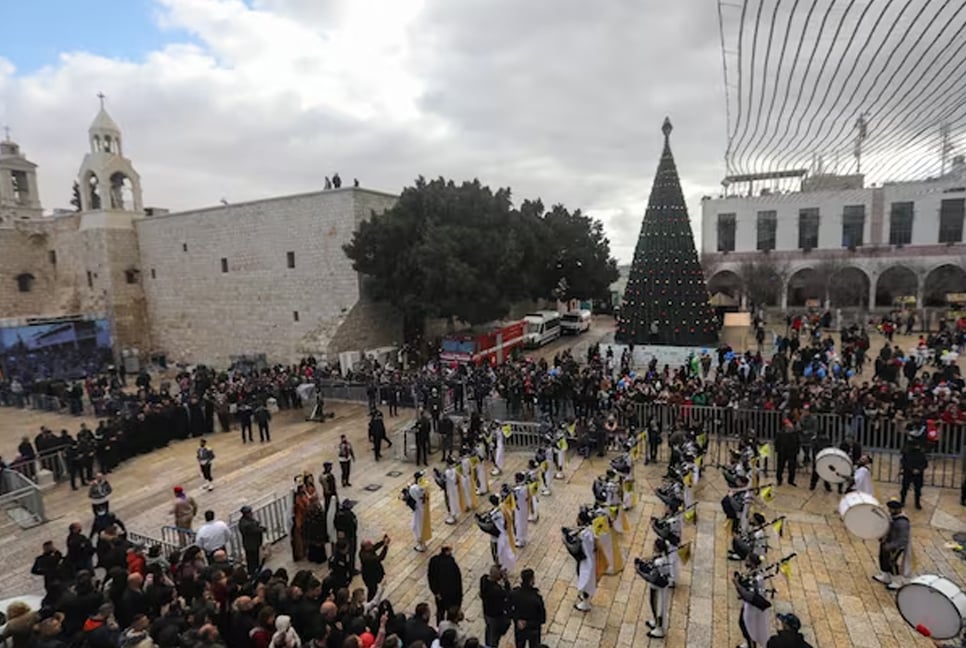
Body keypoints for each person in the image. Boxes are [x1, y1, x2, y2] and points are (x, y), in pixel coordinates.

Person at [873, 499, 912, 590]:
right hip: (887, 542)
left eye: (892, 509)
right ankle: (885, 576)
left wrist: (891, 546)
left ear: (898, 509)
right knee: (883, 559)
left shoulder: (902, 522)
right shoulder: (892, 517)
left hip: (895, 546)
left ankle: (897, 581)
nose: (890, 511)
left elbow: (903, 539)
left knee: (892, 562)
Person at [509, 568, 545, 648]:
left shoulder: (515, 594)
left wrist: (517, 619)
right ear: (531, 580)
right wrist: (527, 623)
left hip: (520, 629)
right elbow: (542, 618)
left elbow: (508, 608)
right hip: (533, 629)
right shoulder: (536, 598)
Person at [428, 546, 463, 625]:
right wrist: (459, 601)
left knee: (440, 612)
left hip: (440, 595)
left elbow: (431, 577)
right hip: (451, 595)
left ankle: (440, 627)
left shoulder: (434, 560)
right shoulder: (453, 565)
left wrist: (436, 592)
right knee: (451, 615)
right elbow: (458, 583)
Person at [479, 565, 511, 648]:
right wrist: (506, 581)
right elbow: (508, 594)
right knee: (494, 636)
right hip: (495, 616)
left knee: (489, 629)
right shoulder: (496, 590)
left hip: (486, 612)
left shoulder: (483, 579)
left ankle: (487, 644)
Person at [900, 437, 928, 510]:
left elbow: (925, 464)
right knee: (904, 488)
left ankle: (917, 503)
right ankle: (902, 501)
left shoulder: (921, 454)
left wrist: (918, 469)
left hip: (917, 474)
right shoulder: (907, 453)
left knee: (918, 489)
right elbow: (904, 462)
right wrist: (913, 469)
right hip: (909, 473)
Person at [359, 535, 390, 602]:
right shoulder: (367, 557)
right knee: (372, 591)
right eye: (370, 545)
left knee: (373, 590)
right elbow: (380, 557)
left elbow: (374, 547)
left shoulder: (365, 550)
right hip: (370, 577)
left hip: (371, 575)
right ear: (366, 547)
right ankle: (371, 603)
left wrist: (382, 542)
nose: (372, 545)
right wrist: (385, 546)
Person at [238, 505, 266, 576]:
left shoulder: (249, 520)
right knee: (251, 560)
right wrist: (262, 529)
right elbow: (253, 529)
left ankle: (256, 570)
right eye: (249, 512)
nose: (251, 513)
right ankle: (253, 573)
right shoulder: (244, 523)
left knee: (256, 558)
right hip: (250, 545)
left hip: (255, 543)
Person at [409, 471, 432, 552]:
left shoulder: (413, 488)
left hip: (418, 510)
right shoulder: (426, 486)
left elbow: (411, 495)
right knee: (423, 525)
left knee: (416, 527)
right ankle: (424, 543)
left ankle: (421, 545)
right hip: (425, 509)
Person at [320, 462, 339, 554]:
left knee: (328, 511)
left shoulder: (321, 476)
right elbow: (333, 488)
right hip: (331, 496)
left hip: (326, 497)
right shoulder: (330, 477)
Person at [774, 421, 799, 487]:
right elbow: (777, 442)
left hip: (792, 452)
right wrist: (777, 450)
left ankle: (791, 480)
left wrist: (797, 451)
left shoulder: (795, 434)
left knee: (792, 468)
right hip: (782, 452)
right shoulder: (780, 433)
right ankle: (779, 479)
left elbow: (798, 442)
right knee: (780, 466)